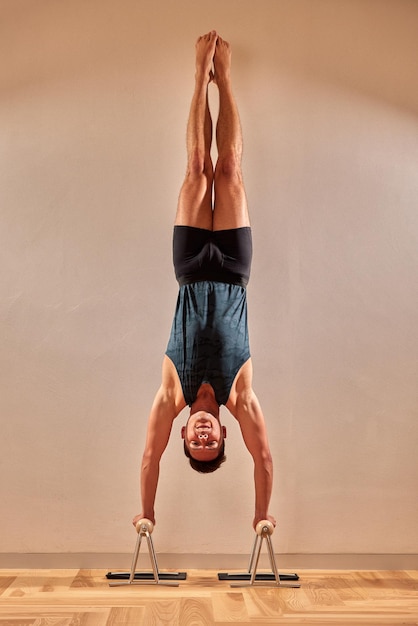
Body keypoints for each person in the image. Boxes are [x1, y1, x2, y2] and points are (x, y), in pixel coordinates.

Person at [133, 31, 275, 531]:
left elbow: (150, 456)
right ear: (222, 435)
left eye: (195, 443)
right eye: (210, 442)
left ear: (186, 437)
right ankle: (226, 81)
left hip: (190, 269)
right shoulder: (242, 400)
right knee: (230, 171)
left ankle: (200, 79)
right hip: (235, 271)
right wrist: (262, 516)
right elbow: (265, 462)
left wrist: (146, 514)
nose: (201, 435)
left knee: (197, 170)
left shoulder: (172, 397)